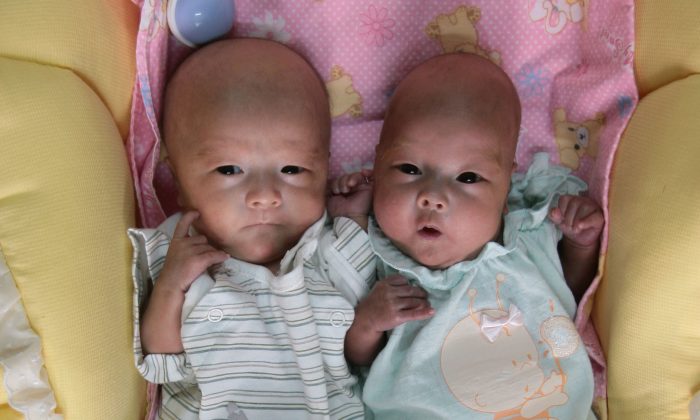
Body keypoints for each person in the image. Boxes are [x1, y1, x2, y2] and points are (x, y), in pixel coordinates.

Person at [344, 53, 603, 419]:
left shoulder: (527, 238)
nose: (432, 197)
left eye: (467, 178)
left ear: (506, 183)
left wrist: (579, 244)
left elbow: (568, 298)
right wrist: (368, 323)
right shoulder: (369, 255)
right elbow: (355, 359)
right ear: (378, 165)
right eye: (409, 169)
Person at [128, 38, 376, 420]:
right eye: (229, 170)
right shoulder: (180, 256)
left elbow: (361, 345)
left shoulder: (328, 249)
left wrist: (353, 215)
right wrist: (171, 287)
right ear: (178, 181)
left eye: (292, 170)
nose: (265, 196)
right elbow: (163, 362)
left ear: (324, 171)